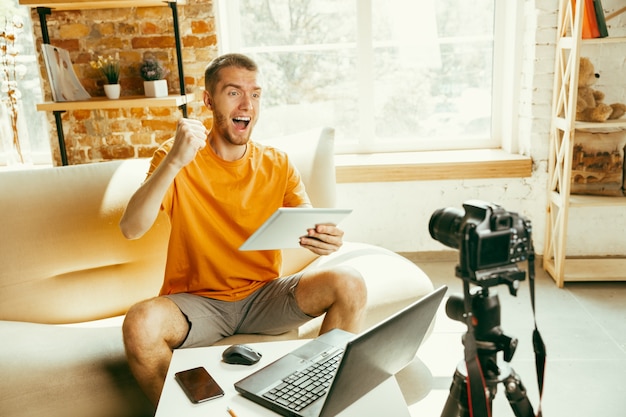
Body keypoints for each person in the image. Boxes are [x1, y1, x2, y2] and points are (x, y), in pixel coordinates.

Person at [119, 53, 367, 406]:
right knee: (140, 323)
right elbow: (131, 228)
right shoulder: (175, 158)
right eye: (234, 92)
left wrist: (324, 238)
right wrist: (175, 159)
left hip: (264, 295)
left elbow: (309, 220)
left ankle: (315, 400)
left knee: (350, 282)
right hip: (198, 303)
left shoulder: (277, 163)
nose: (247, 103)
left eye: (255, 94)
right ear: (208, 100)